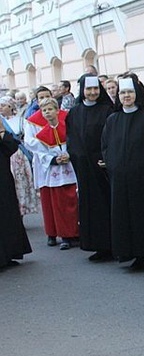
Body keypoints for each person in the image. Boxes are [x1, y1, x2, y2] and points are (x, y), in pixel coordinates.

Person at [101, 74, 144, 270]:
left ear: (137, 94)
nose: (126, 96)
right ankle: (132, 254)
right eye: (123, 92)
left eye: (130, 92)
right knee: (123, 216)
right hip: (119, 178)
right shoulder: (112, 119)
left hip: (142, 177)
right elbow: (106, 146)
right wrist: (112, 164)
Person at [66, 75, 115, 261]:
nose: (92, 93)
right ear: (82, 91)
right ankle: (95, 245)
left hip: (102, 167)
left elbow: (111, 138)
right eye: (89, 90)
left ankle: (111, 245)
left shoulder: (107, 110)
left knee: (106, 205)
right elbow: (72, 138)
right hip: (84, 168)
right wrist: (77, 157)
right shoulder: (75, 112)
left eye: (95, 89)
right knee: (89, 207)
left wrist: (105, 158)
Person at [25, 97, 79, 249]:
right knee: (56, 203)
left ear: (58, 110)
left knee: (72, 201)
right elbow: (39, 150)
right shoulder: (41, 133)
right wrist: (53, 159)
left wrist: (68, 154)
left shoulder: (67, 125)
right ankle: (60, 234)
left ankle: (74, 232)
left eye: (50, 109)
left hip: (69, 168)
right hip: (52, 169)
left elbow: (73, 142)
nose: (47, 112)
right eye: (44, 110)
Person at [0, 121, 32, 268]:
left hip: (3, 180)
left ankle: (10, 253)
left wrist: (1, 131)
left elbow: (11, 147)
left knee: (7, 214)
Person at [0, 96, 38, 216]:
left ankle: (21, 209)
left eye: (3, 105)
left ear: (10, 107)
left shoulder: (21, 121)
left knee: (21, 183)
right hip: (7, 158)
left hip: (18, 155)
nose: (1, 108)